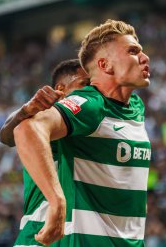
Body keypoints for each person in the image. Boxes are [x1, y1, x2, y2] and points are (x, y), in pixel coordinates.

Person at [13, 19, 151, 247]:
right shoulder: (90, 104)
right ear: (105, 65)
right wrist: (57, 201)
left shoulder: (135, 107)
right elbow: (27, 128)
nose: (144, 58)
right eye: (133, 51)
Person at [0, 59, 89, 247]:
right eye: (84, 84)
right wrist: (26, 110)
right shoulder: (46, 114)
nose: (90, 91)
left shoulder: (92, 118)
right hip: (39, 230)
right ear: (61, 89)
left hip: (77, 233)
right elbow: (7, 135)